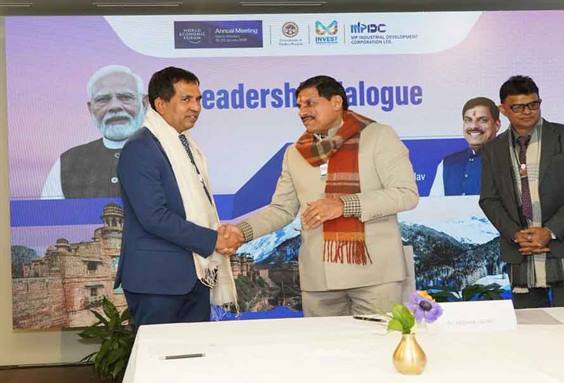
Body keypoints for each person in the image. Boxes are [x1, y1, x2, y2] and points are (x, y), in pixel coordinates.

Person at [224, 75, 419, 317]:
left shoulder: (379, 136)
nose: (302, 112)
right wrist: (241, 231)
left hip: (375, 276)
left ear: (336, 102)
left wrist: (344, 205)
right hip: (319, 280)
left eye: (310, 103)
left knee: (377, 341)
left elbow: (406, 194)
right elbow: (282, 209)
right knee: (322, 343)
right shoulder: (295, 153)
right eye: (299, 106)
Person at [115, 66, 237, 328]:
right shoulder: (141, 148)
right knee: (159, 353)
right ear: (160, 104)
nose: (196, 107)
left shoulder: (185, 146)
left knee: (197, 351)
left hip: (196, 277)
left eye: (198, 99)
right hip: (157, 284)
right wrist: (213, 239)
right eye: (186, 99)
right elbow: (154, 216)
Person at [479, 75, 564, 308]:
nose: (527, 112)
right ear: (503, 109)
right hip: (520, 247)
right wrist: (516, 234)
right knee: (529, 322)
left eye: (533, 104)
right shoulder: (493, 148)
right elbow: (489, 199)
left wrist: (549, 231)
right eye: (518, 107)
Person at [41, 65, 147, 199]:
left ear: (144, 103)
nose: (114, 106)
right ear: (90, 109)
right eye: (103, 99)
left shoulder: (166, 152)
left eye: (125, 97)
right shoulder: (67, 163)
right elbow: (49, 212)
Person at [429, 97, 500, 196]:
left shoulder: (510, 159)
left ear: (497, 125)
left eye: (482, 120)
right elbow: (435, 204)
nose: (474, 126)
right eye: (468, 120)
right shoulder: (447, 164)